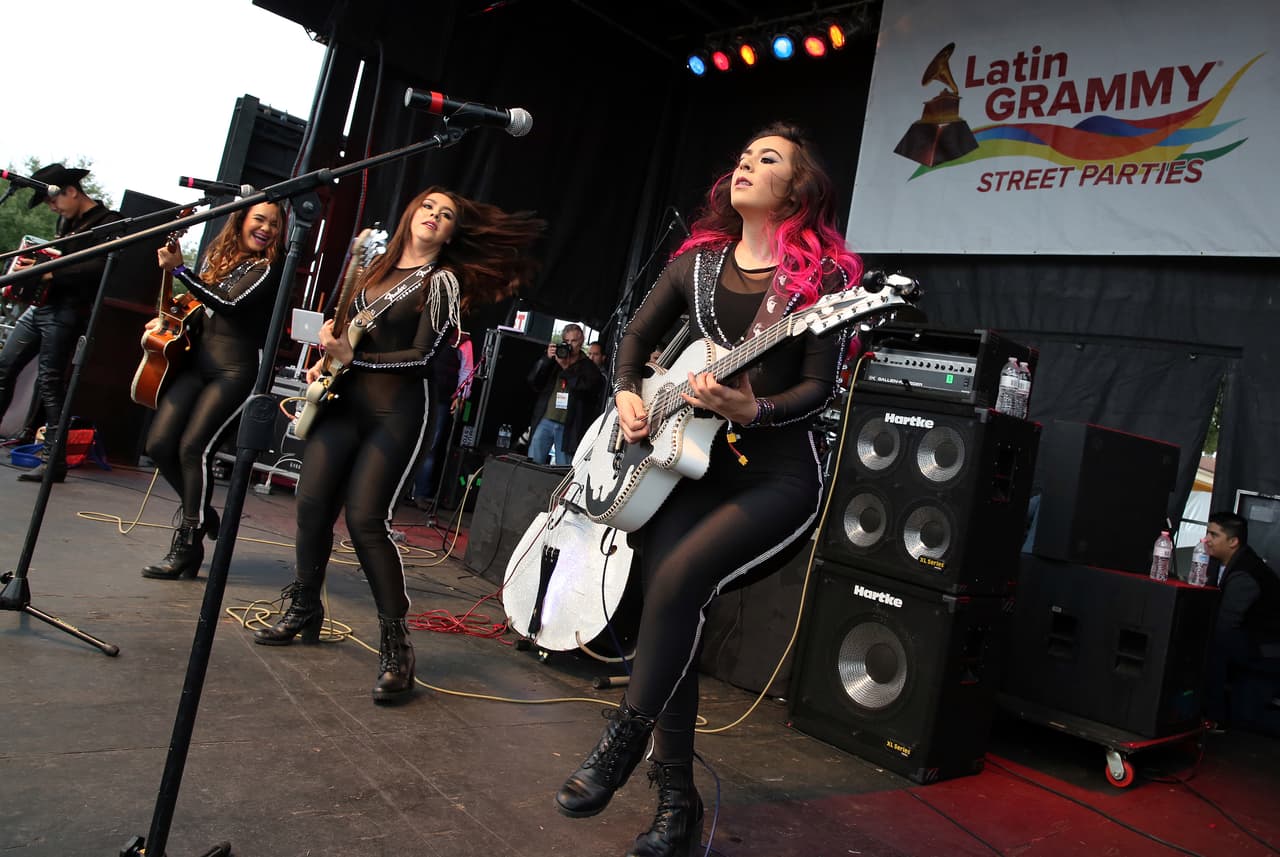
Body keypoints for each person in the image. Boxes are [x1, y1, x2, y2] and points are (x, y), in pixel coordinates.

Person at [553, 122, 863, 857]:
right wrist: (628, 391)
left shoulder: (820, 284)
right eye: (745, 156)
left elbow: (822, 387)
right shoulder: (696, 265)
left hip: (778, 475)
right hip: (682, 466)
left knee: (680, 580)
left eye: (770, 160)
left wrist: (755, 409)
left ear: (799, 190)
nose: (748, 165)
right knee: (671, 613)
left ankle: (623, 740)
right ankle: (674, 804)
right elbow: (631, 339)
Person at [254, 187, 543, 704]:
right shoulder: (372, 271)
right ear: (411, 214)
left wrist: (352, 358)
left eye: (447, 214)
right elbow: (348, 339)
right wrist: (330, 356)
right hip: (341, 404)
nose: (434, 216)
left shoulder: (443, 282)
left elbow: (423, 357)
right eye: (428, 207)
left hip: (397, 412)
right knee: (312, 506)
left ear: (453, 231)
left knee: (366, 521)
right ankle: (304, 607)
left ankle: (397, 646)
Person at [140, 201, 286, 579]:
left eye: (274, 223)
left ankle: (188, 543)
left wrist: (181, 270)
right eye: (260, 219)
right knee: (158, 444)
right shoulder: (218, 259)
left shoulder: (266, 268)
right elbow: (198, 306)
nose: (267, 228)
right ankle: (202, 511)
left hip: (233, 371)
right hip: (195, 364)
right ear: (241, 221)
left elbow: (228, 304)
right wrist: (166, 313)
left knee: (193, 448)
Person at [0, 163, 122, 482]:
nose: (52, 207)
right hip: (41, 307)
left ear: (71, 191)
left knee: (50, 383)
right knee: (4, 366)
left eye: (54, 201)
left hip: (68, 311)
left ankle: (54, 461)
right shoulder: (65, 221)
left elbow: (100, 268)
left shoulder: (111, 222)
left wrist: (55, 271)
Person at [1202, 511, 1280, 735]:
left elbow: (1226, 624)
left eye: (1214, 535)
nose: (1207, 539)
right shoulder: (1237, 564)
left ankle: (1214, 718)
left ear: (1233, 541)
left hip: (1268, 651)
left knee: (1215, 643)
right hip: (1257, 644)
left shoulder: (1245, 574)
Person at [527, 322, 603, 465]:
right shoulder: (555, 360)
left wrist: (566, 367)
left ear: (581, 342)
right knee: (533, 463)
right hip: (547, 418)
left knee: (563, 468)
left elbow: (586, 389)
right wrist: (546, 359)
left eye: (574, 341)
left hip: (569, 426)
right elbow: (533, 380)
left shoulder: (589, 367)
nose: (570, 345)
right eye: (566, 341)